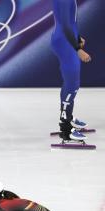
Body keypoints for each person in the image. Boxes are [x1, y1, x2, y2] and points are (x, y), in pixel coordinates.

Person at [51, 0, 92, 141]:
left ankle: (67, 116)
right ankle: (66, 129)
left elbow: (68, 20)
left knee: (70, 83)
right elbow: (65, 25)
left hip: (66, 40)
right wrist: (78, 48)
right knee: (72, 85)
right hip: (65, 43)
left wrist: (78, 36)